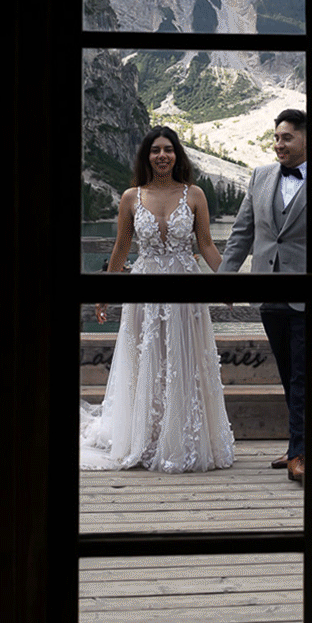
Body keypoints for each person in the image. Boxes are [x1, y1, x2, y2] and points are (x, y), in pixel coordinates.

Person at [80, 126, 234, 472]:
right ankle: (145, 439)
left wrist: (230, 282)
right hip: (143, 290)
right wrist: (106, 289)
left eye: (168, 149)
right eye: (155, 150)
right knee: (145, 358)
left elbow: (206, 245)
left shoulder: (194, 194)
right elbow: (121, 247)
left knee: (185, 360)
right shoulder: (130, 197)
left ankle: (184, 440)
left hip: (186, 291)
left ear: (177, 155)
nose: (162, 155)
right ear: (146, 156)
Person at [217, 108, 312, 484]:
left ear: (307, 141)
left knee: (302, 376)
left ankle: (301, 454)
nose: (279, 144)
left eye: (287, 138)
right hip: (268, 294)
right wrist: (226, 276)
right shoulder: (259, 177)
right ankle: (298, 444)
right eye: (276, 137)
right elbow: (243, 232)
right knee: (287, 372)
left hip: (310, 299)